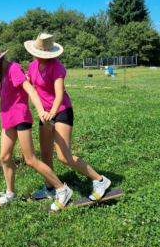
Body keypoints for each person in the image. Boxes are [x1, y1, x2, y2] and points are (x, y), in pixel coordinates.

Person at [0, 46, 73, 209]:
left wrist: (42, 113)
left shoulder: (13, 68)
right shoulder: (3, 73)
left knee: (30, 160)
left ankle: (61, 188)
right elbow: (12, 89)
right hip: (7, 119)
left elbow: (31, 91)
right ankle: (10, 194)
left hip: (20, 118)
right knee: (4, 157)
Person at [24, 33, 113, 202]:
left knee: (64, 156)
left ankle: (100, 180)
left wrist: (53, 113)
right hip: (45, 114)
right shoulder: (32, 66)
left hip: (61, 110)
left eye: (43, 54)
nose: (39, 56)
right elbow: (27, 85)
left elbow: (59, 94)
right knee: (45, 154)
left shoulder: (56, 66)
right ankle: (49, 189)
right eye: (37, 53)